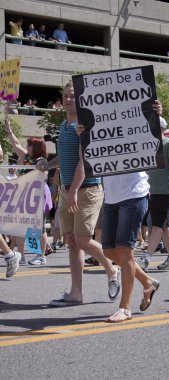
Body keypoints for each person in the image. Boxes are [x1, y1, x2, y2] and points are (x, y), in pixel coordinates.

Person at [72, 99, 163, 322]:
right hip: (111, 196)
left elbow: (156, 129)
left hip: (134, 193)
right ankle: (148, 282)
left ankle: (125, 308)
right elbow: (89, 155)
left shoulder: (139, 121)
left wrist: (156, 113)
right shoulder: (99, 125)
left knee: (124, 250)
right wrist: (84, 134)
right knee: (110, 251)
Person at [36, 80, 121, 306]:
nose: (68, 99)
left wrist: (73, 190)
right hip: (67, 190)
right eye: (65, 96)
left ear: (81, 99)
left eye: (72, 96)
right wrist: (48, 163)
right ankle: (76, 293)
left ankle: (112, 269)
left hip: (86, 189)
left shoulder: (85, 124)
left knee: (83, 240)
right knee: (72, 241)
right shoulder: (64, 126)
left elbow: (86, 161)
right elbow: (65, 158)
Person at [136, 117, 169, 271]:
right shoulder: (149, 146)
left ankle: (146, 259)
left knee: (157, 226)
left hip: (164, 192)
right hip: (152, 191)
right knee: (164, 226)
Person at [4, 110, 51, 265]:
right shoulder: (26, 159)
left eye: (29, 145)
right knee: (20, 225)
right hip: (23, 197)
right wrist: (8, 129)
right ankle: (21, 254)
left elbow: (43, 170)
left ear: (36, 147)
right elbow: (15, 143)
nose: (26, 146)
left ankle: (41, 256)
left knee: (39, 228)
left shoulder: (41, 160)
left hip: (38, 197)